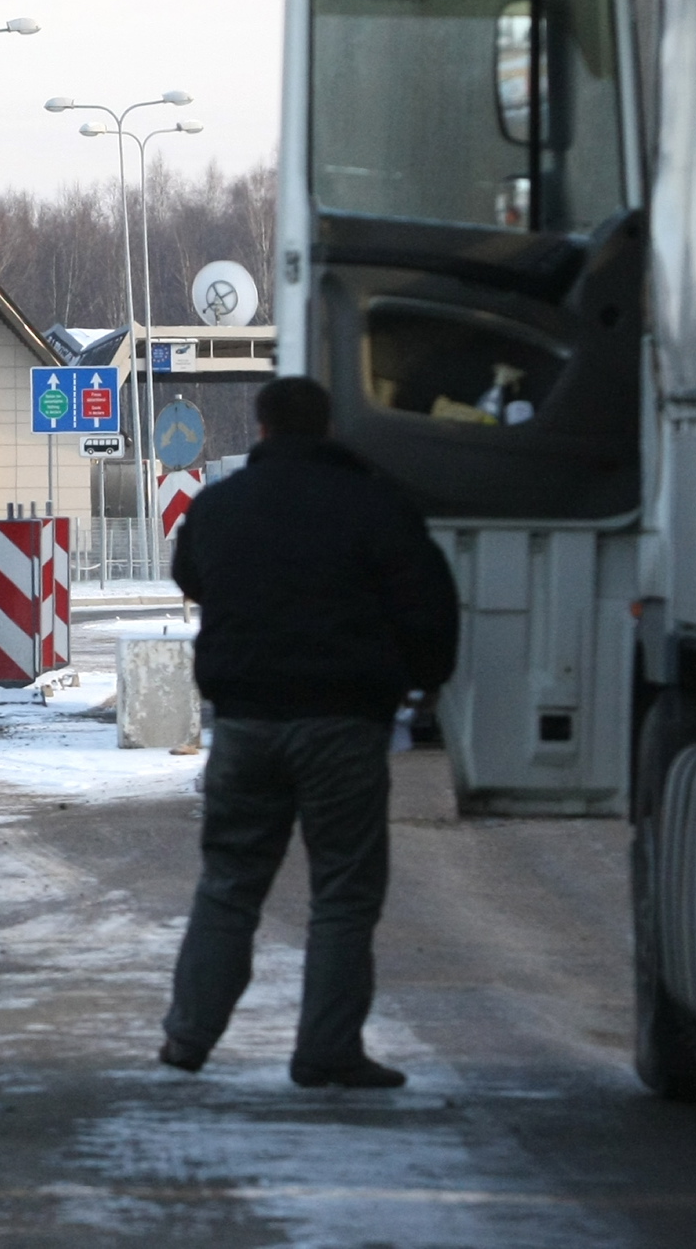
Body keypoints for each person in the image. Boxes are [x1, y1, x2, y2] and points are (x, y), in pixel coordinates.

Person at [160, 376, 457, 1088]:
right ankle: (326, 1049)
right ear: (328, 430)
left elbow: (189, 574)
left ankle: (188, 1038)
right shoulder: (375, 506)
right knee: (344, 894)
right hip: (343, 724)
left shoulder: (220, 506)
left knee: (229, 884)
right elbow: (429, 603)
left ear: (261, 429)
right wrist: (421, 683)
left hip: (245, 725)